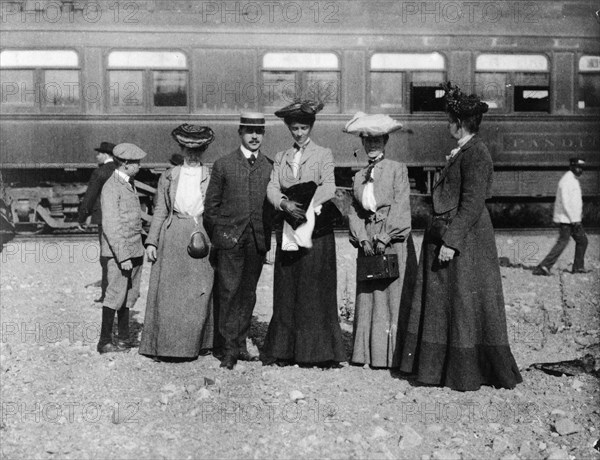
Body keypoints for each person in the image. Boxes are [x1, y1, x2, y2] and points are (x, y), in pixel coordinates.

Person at [398, 82, 522, 391]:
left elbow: (472, 203)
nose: (447, 125)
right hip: (454, 237)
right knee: (449, 305)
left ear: (459, 122)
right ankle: (439, 369)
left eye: (449, 120)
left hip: (466, 243)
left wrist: (451, 242)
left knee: (463, 305)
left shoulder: (476, 153)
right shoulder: (465, 150)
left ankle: (465, 372)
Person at [262, 100, 346, 368]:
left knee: (314, 287)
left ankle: (318, 352)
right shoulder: (281, 157)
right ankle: (286, 350)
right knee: (288, 286)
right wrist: (284, 203)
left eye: (304, 127)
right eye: (295, 128)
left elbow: (329, 187)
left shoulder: (323, 154)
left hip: (315, 229)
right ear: (289, 128)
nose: (299, 133)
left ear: (311, 127)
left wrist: (306, 205)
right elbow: (273, 187)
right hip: (288, 224)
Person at [345, 112, 418, 368]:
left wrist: (385, 236)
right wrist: (362, 238)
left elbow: (401, 205)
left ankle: (393, 356)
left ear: (385, 141)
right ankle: (367, 354)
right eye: (368, 140)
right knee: (368, 296)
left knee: (391, 296)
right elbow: (354, 210)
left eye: (377, 140)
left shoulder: (397, 169)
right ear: (363, 143)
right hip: (368, 243)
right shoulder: (358, 176)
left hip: (391, 241)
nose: (372, 144)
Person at [139, 125, 216, 360]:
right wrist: (152, 242)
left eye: (198, 150)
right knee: (170, 293)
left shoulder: (211, 175)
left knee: (199, 293)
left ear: (203, 150)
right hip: (172, 235)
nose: (192, 154)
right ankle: (166, 347)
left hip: (201, 233)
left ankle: (197, 346)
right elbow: (160, 209)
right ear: (181, 149)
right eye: (187, 149)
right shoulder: (169, 175)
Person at [204, 113, 274, 370]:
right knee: (229, 292)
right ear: (240, 133)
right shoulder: (223, 165)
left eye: (259, 132)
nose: (255, 136)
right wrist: (222, 237)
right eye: (249, 131)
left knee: (248, 294)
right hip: (230, 241)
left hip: (257, 241)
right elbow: (210, 208)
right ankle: (228, 349)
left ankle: (241, 345)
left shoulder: (269, 165)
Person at [97, 143, 147, 354]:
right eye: (136, 163)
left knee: (127, 296)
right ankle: (105, 341)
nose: (139, 166)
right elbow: (111, 225)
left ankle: (124, 338)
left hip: (133, 249)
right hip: (120, 253)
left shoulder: (127, 182)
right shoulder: (111, 187)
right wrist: (123, 255)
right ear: (125, 164)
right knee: (114, 295)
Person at [534, 158, 589, 275]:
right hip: (568, 220)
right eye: (578, 167)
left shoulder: (572, 179)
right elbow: (566, 202)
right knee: (565, 242)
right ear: (572, 167)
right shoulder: (567, 181)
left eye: (582, 168)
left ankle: (577, 267)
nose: (580, 170)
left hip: (571, 219)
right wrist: (575, 220)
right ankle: (544, 266)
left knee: (581, 241)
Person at [77, 141, 117, 302]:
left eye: (99, 153)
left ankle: (106, 294)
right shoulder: (121, 171)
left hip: (104, 219)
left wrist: (82, 217)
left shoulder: (100, 172)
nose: (96, 156)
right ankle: (119, 290)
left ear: (106, 155)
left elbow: (90, 197)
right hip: (119, 218)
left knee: (105, 256)